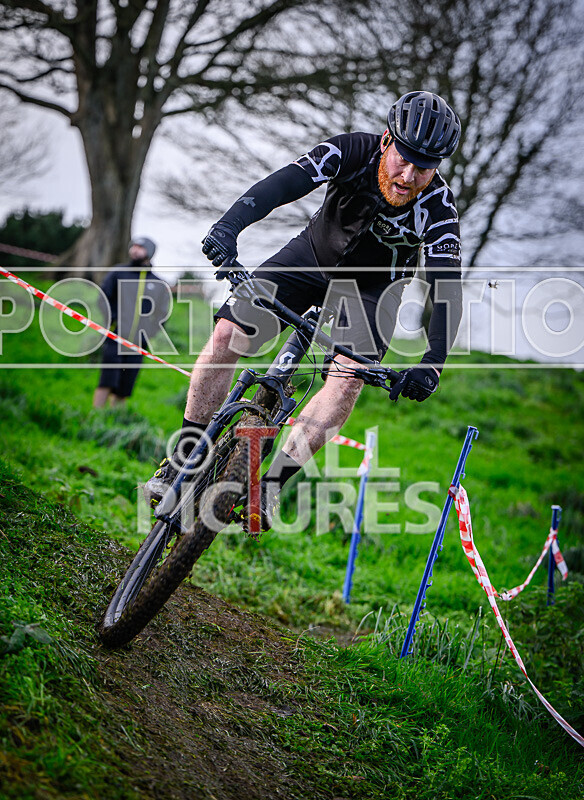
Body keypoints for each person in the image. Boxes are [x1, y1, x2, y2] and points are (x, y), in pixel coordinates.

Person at [145, 91, 463, 529]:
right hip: (310, 258)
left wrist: (433, 364)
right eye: (403, 159)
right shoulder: (351, 150)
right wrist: (228, 227)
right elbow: (283, 184)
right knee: (225, 336)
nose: (408, 176)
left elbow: (447, 286)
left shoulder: (440, 209)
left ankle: (272, 486)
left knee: (348, 378)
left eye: (423, 167)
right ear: (387, 140)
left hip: (373, 291)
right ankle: (185, 456)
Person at [93, 236, 170, 408]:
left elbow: (162, 314)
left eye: (140, 247)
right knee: (107, 380)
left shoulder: (158, 283)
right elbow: (102, 298)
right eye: (133, 246)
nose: (135, 249)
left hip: (138, 343)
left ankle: (115, 421)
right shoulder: (118, 273)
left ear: (149, 252)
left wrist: (148, 333)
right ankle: (95, 417)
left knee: (125, 386)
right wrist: (113, 320)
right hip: (115, 337)